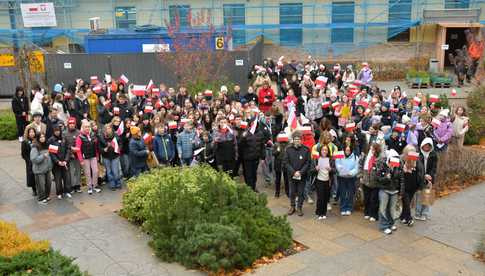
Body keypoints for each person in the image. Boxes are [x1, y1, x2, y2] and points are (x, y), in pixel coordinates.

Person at [374, 149, 402, 234]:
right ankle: (384, 226)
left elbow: (402, 179)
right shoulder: (382, 165)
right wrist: (386, 177)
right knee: (383, 208)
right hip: (384, 190)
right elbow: (377, 178)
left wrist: (401, 192)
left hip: (394, 191)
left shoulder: (398, 166)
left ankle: (391, 224)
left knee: (392, 209)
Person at [284, 131, 311, 216]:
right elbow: (286, 162)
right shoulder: (288, 149)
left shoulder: (306, 150)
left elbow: (308, 163)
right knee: (292, 192)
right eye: (295, 139)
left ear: (301, 140)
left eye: (299, 139)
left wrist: (301, 172)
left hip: (302, 176)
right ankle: (292, 207)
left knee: (300, 192)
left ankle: (299, 207)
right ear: (293, 140)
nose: (297, 141)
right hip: (291, 175)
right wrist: (293, 172)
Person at [400, 145, 424, 227]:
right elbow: (397, 172)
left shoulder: (417, 160)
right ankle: (409, 218)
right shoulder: (401, 160)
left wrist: (420, 185)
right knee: (406, 203)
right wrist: (404, 169)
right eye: (409, 152)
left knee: (407, 203)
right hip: (404, 187)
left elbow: (421, 173)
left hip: (413, 186)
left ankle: (402, 216)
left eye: (412, 151)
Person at [75, 120, 101, 195]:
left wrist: (97, 155)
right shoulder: (79, 137)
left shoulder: (93, 134)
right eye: (86, 127)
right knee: (87, 173)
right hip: (85, 158)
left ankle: (95, 186)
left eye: (88, 127)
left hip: (93, 156)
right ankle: (89, 187)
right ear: (83, 127)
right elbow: (78, 149)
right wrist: (81, 160)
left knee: (95, 171)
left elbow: (95, 147)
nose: (87, 128)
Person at [415, 137, 437, 221]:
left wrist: (430, 176)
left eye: (429, 146)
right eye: (425, 146)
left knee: (427, 195)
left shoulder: (433, 154)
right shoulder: (418, 154)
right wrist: (423, 175)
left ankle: (424, 214)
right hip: (420, 177)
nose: (427, 148)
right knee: (419, 195)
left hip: (429, 178)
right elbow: (416, 167)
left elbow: (434, 168)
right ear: (422, 145)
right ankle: (417, 213)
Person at [48, 124, 72, 199]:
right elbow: (52, 153)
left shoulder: (64, 138)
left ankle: (67, 191)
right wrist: (57, 161)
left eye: (58, 130)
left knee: (67, 178)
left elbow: (68, 149)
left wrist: (66, 160)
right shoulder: (51, 140)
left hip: (65, 162)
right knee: (58, 179)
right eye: (55, 131)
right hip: (56, 164)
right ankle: (59, 193)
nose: (57, 132)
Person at [361, 143, 382, 222]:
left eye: (373, 149)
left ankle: (374, 214)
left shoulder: (379, 158)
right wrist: (361, 176)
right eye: (371, 149)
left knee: (374, 200)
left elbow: (380, 169)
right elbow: (360, 165)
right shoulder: (366, 156)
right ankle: (367, 212)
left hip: (375, 182)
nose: (371, 150)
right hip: (366, 180)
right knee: (367, 199)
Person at [335, 145, 359, 216]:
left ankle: (349, 208)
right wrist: (342, 170)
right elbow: (337, 164)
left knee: (350, 193)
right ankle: (343, 208)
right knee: (343, 193)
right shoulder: (340, 155)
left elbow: (356, 168)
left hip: (351, 178)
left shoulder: (355, 157)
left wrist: (351, 173)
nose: (347, 152)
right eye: (346, 150)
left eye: (348, 150)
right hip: (342, 177)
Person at [30, 132, 52, 205]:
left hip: (47, 169)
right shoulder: (35, 147)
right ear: (38, 138)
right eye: (41, 137)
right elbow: (34, 159)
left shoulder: (46, 145)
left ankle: (46, 196)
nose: (42, 138)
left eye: (43, 137)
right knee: (41, 185)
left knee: (48, 183)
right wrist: (43, 156)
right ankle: (41, 199)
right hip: (39, 170)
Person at [99, 124, 123, 190]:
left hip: (115, 156)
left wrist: (119, 149)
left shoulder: (116, 135)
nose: (108, 130)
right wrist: (103, 150)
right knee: (109, 172)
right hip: (106, 157)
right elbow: (99, 148)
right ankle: (112, 184)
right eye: (106, 128)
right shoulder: (101, 137)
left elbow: (120, 144)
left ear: (111, 129)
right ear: (104, 129)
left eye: (109, 128)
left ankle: (118, 183)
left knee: (115, 171)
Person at [314, 144, 335, 220]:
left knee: (326, 197)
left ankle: (324, 212)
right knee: (320, 197)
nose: (324, 151)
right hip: (319, 180)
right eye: (323, 150)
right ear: (320, 151)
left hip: (327, 181)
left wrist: (330, 169)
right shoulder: (317, 159)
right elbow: (311, 171)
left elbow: (334, 170)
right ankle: (319, 212)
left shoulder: (330, 159)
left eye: (326, 150)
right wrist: (315, 169)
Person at [64, 117, 82, 193]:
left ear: (75, 124)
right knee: (71, 171)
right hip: (69, 155)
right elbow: (64, 145)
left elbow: (81, 144)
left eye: (73, 123)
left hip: (78, 155)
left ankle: (77, 186)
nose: (71, 125)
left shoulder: (79, 132)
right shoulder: (65, 133)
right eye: (70, 123)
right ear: (68, 124)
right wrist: (70, 153)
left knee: (78, 170)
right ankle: (72, 186)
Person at [21, 126, 37, 196]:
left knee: (38, 175)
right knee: (31, 176)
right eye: (30, 132)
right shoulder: (25, 142)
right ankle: (34, 190)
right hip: (30, 162)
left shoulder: (37, 140)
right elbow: (23, 154)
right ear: (28, 133)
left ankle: (40, 188)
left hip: (37, 160)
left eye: (33, 132)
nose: (32, 133)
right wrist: (29, 161)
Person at [273, 133, 289, 197]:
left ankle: (287, 192)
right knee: (278, 179)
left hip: (285, 163)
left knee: (286, 179)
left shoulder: (288, 145)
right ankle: (277, 192)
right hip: (278, 163)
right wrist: (277, 150)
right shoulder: (276, 144)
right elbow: (273, 153)